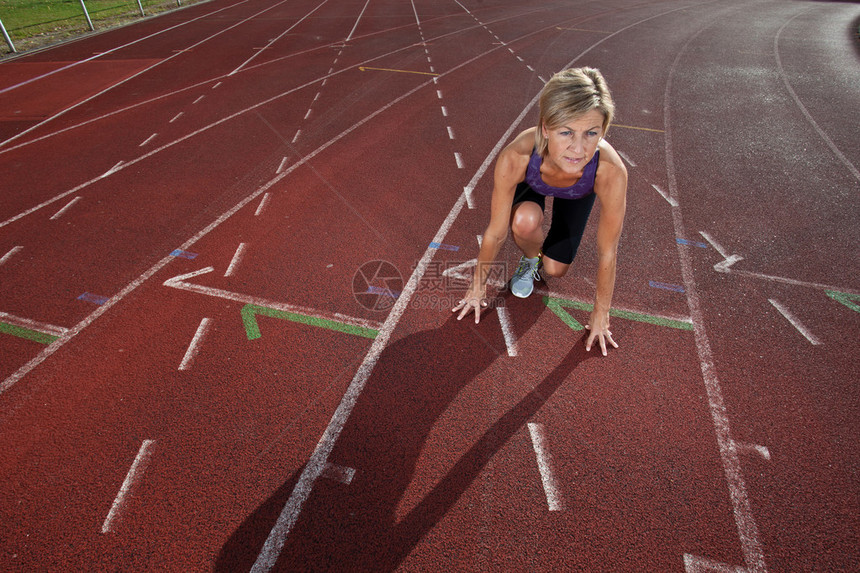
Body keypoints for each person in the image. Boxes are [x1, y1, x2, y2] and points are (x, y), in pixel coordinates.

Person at [452, 67, 628, 356]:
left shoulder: (610, 171)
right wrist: (477, 287)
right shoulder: (517, 155)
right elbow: (496, 231)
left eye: (591, 133)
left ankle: (545, 261)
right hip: (534, 182)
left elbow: (608, 250)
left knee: (556, 269)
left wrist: (601, 314)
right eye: (566, 132)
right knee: (524, 222)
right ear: (546, 128)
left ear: (603, 131)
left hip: (577, 193)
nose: (578, 148)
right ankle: (530, 259)